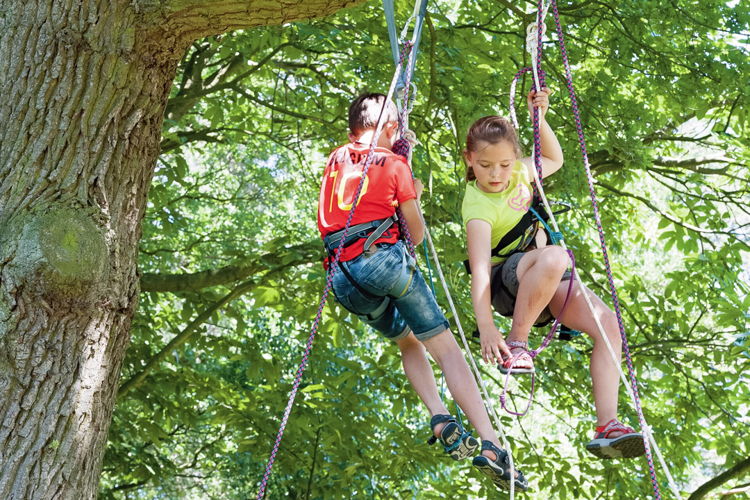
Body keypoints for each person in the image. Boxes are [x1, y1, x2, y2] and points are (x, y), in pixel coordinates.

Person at [318, 93, 528, 490]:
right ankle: (491, 444)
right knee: (447, 348)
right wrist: (410, 187)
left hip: (343, 279)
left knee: (408, 341)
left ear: (352, 129)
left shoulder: (334, 160)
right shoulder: (394, 163)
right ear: (393, 128)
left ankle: (438, 414)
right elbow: (414, 233)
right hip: (383, 261)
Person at [461, 88, 646, 459]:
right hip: (508, 284)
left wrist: (540, 118)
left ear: (514, 158)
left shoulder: (518, 173)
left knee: (609, 327)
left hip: (543, 275)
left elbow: (552, 158)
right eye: (484, 166)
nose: (496, 174)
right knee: (555, 257)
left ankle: (607, 425)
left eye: (503, 164)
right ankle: (518, 342)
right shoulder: (477, 206)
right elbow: (480, 271)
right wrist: (486, 327)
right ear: (469, 160)